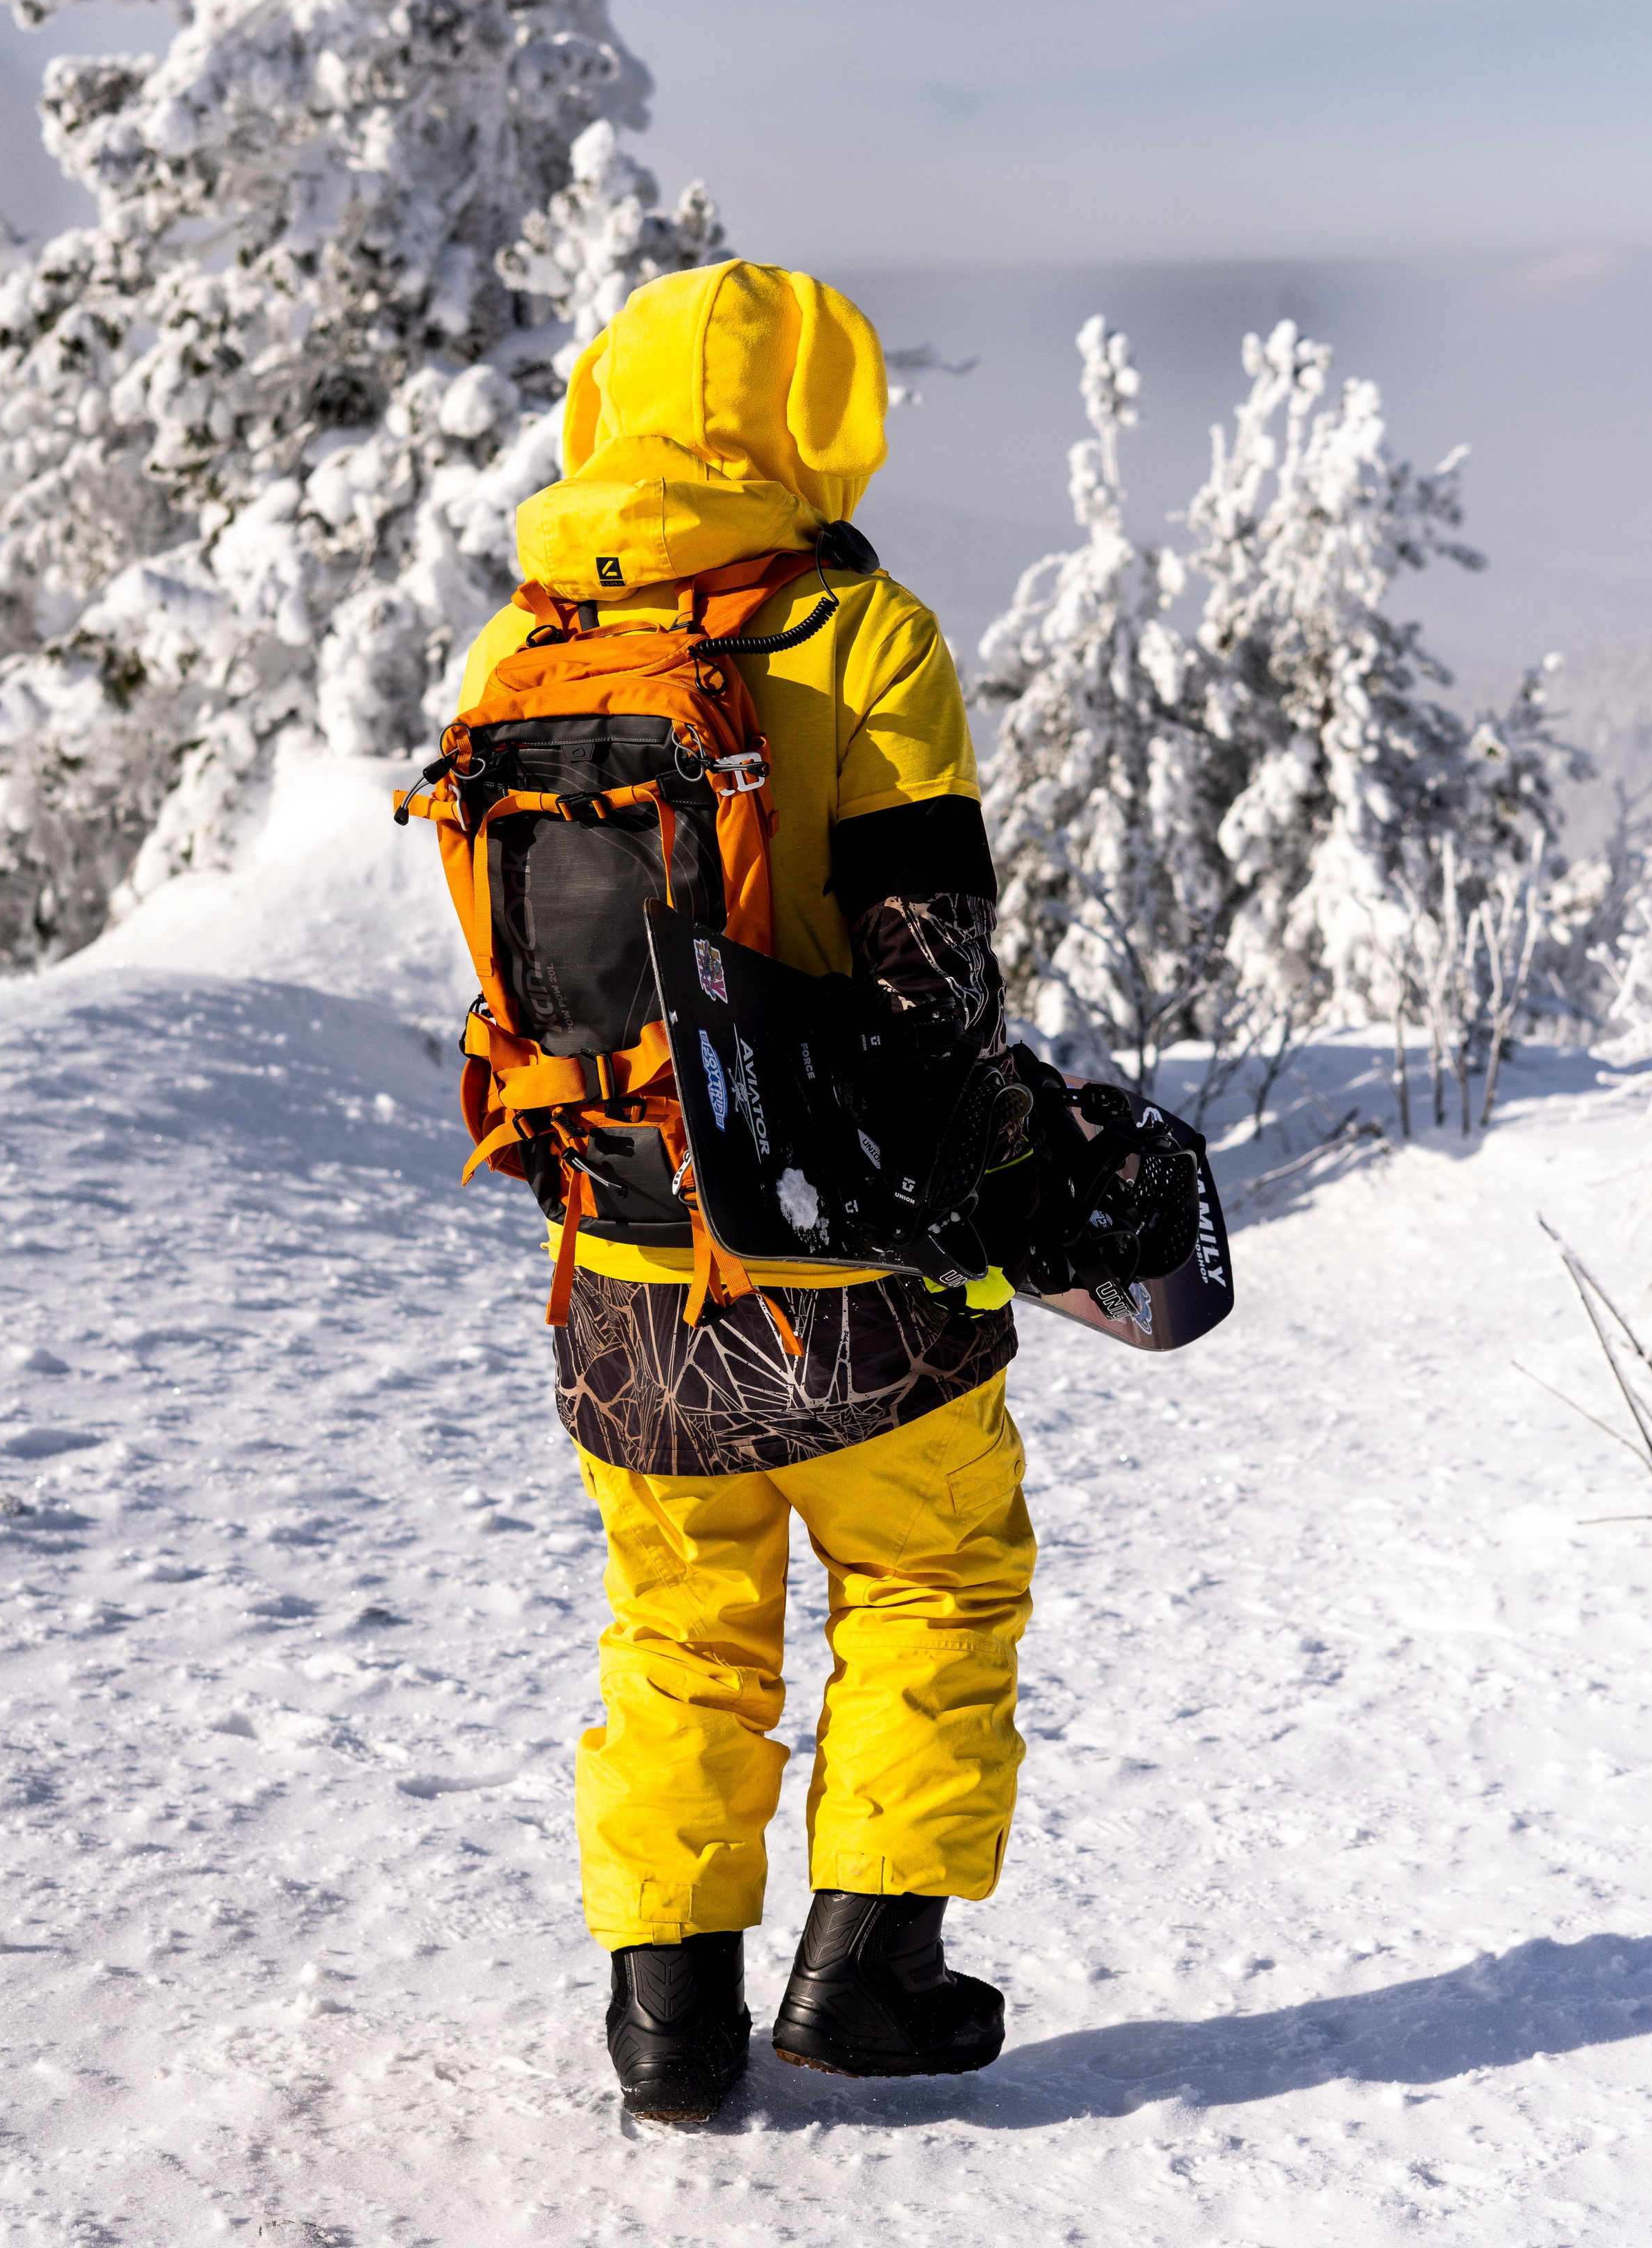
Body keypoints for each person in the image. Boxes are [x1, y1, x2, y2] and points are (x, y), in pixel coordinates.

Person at [457, 260, 1038, 2120]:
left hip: (620, 1262)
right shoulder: (867, 640)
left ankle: (668, 2018)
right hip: (843, 1248)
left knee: (677, 1625)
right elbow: (932, 980)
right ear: (814, 412)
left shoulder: (516, 654)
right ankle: (873, 1965)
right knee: (934, 1576)